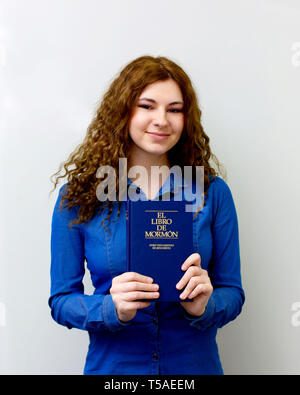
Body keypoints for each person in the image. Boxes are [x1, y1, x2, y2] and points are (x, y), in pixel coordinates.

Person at [49, 55, 245, 375]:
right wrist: (110, 309)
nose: (161, 120)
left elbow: (233, 292)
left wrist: (205, 306)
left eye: (174, 109)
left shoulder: (213, 193)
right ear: (123, 111)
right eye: (147, 106)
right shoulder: (79, 196)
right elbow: (61, 300)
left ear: (186, 117)